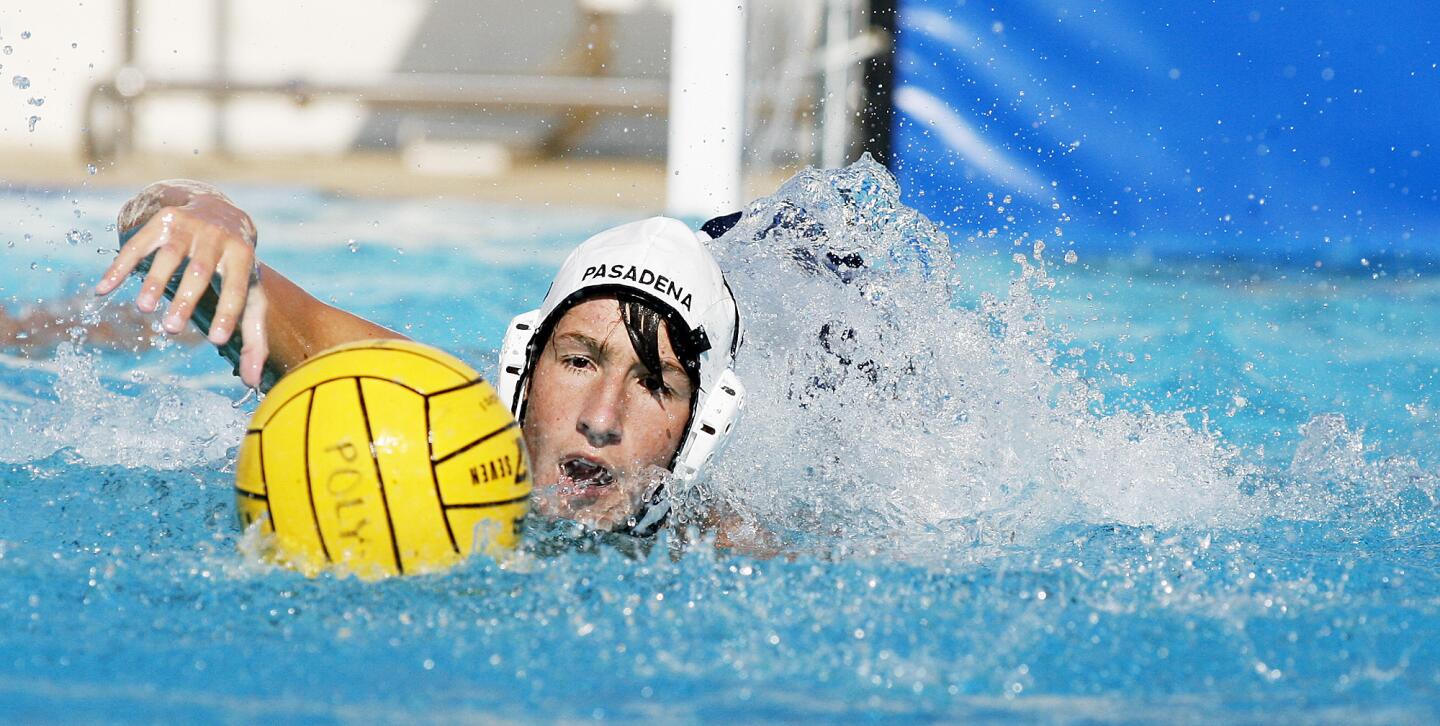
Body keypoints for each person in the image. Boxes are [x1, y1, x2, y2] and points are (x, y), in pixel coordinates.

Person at [95, 180, 752, 543]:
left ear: (700, 425)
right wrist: (203, 213)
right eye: (578, 361)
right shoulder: (426, 406)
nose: (600, 418)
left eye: (654, 384)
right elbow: (184, 256)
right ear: (525, 365)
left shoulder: (723, 549)